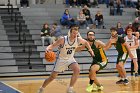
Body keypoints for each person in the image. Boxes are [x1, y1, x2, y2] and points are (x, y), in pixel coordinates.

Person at [38, 25, 94, 93]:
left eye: (76, 33)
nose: (75, 35)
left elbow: (86, 43)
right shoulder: (63, 39)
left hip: (70, 59)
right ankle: (42, 88)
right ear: (70, 33)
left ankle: (70, 88)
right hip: (61, 59)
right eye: (73, 33)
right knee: (52, 77)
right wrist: (47, 48)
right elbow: (53, 45)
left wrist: (90, 50)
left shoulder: (78, 39)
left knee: (77, 70)